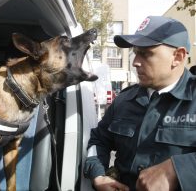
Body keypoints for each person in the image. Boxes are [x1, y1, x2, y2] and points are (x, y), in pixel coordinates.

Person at [84, 16, 196, 191]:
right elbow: (98, 140)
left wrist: (178, 169)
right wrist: (99, 175)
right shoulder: (123, 100)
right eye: (135, 52)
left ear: (178, 56)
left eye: (146, 53)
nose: (135, 62)